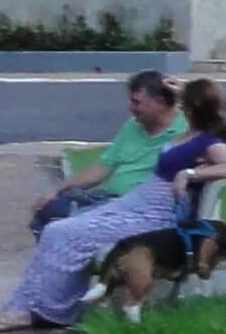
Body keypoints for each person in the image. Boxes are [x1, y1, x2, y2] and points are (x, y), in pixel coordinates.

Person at [0, 78, 226, 332]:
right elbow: (204, 98)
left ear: (193, 107)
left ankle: (44, 312)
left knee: (63, 233)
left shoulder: (208, 141)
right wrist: (183, 88)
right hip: (134, 205)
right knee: (56, 229)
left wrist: (190, 174)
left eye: (185, 101)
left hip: (152, 216)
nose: (179, 103)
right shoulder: (190, 131)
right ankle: (20, 307)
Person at [31, 70, 176, 232]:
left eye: (137, 102)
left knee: (61, 220)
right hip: (108, 198)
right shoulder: (133, 125)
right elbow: (103, 167)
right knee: (47, 207)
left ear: (160, 102)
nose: (131, 108)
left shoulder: (186, 130)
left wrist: (185, 91)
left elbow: (208, 116)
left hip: (136, 206)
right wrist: (56, 190)